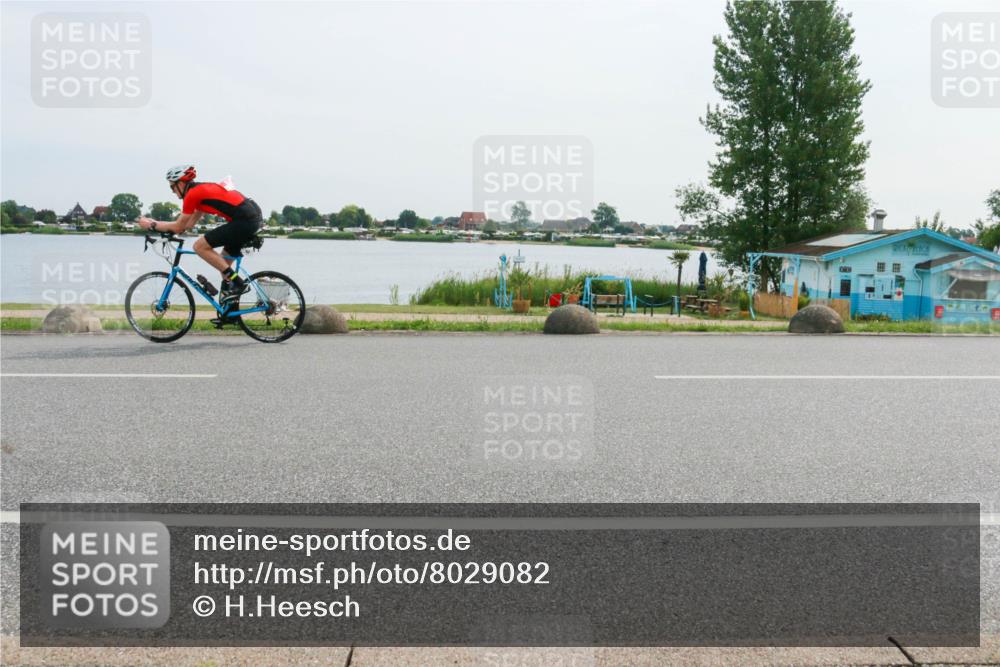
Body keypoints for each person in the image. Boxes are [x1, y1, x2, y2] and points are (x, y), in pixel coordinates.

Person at [137, 164, 262, 314]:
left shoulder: (193, 194)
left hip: (245, 220)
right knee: (223, 263)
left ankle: (239, 283)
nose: (172, 191)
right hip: (250, 217)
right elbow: (187, 225)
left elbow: (178, 227)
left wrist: (152, 225)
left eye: (172, 187)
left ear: (180, 183)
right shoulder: (200, 193)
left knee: (199, 247)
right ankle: (231, 312)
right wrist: (157, 224)